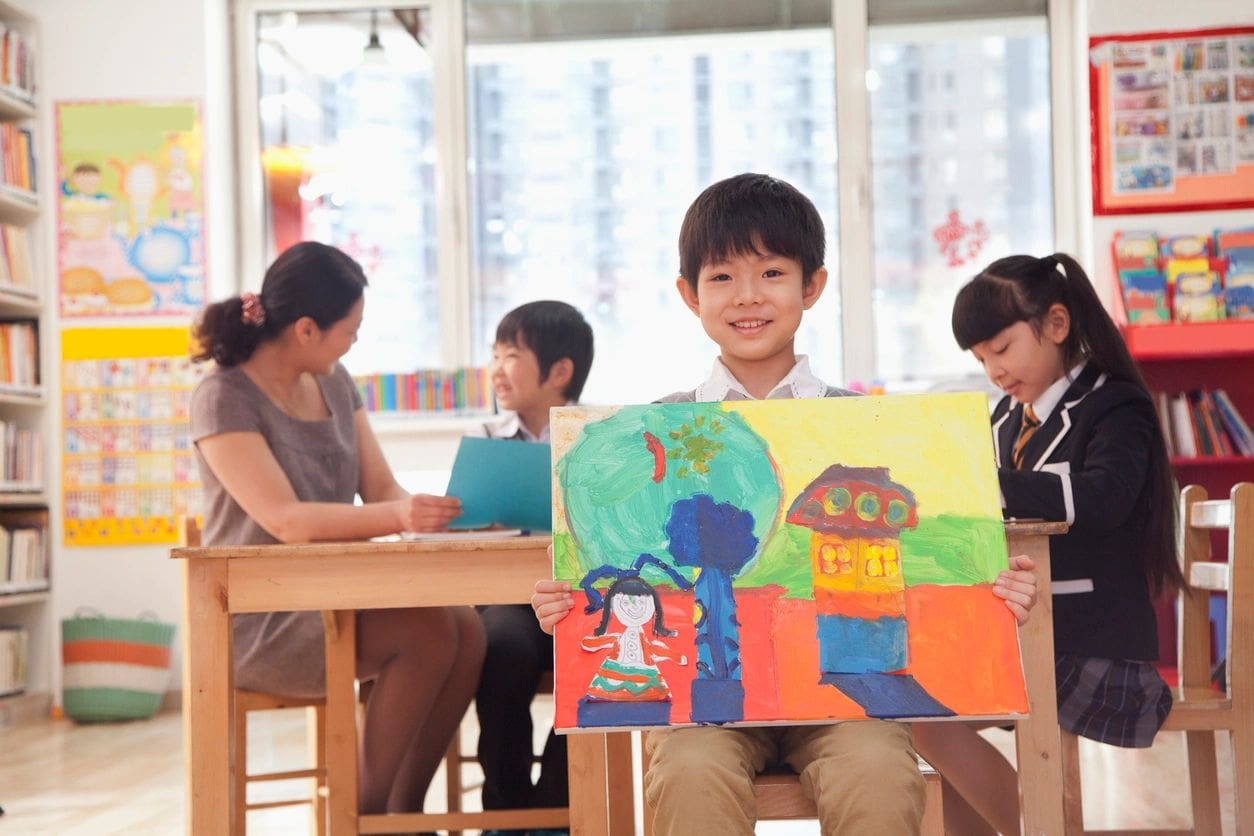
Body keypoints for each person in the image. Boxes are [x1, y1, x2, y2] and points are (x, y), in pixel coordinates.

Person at [530, 173, 1039, 835]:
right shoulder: (652, 432)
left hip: (843, 703)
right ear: (689, 295)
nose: (748, 297)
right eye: (721, 277)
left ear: (812, 286)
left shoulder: (871, 431)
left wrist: (994, 594)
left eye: (771, 272)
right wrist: (566, 608)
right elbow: (623, 572)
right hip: (700, 707)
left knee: (880, 776)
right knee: (689, 773)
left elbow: (939, 568)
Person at [189, 240, 485, 815]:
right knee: (427, 634)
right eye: (350, 328)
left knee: (467, 629)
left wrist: (440, 511)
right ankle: (362, 816)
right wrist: (399, 516)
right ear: (305, 329)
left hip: (339, 599)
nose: (354, 339)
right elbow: (286, 521)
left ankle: (403, 815)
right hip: (263, 618)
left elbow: (382, 491)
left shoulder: (335, 380)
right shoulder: (222, 397)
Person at [912, 252, 1183, 835]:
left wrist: (983, 484)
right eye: (981, 359)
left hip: (1090, 641)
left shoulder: (1115, 405)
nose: (994, 371)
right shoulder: (1010, 419)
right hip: (1027, 632)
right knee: (908, 706)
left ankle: (1040, 830)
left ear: (1056, 325)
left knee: (922, 713)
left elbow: (1105, 496)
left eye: (1002, 349)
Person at [472, 300, 593, 835]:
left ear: (559, 371)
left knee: (597, 656)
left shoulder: (598, 439)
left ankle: (553, 813)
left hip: (578, 600)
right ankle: (506, 814)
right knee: (501, 649)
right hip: (507, 602)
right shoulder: (484, 441)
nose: (496, 369)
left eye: (511, 355)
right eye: (494, 355)